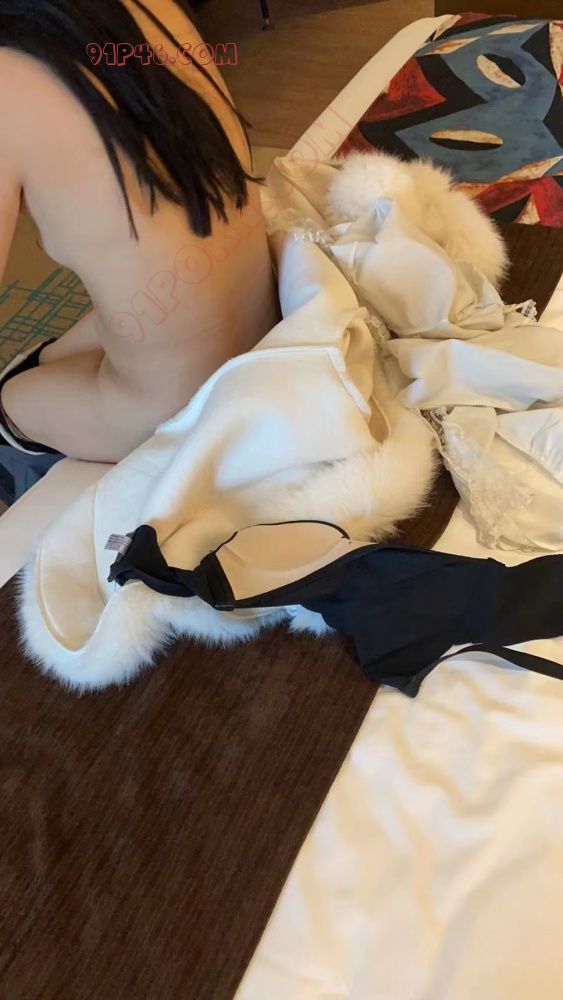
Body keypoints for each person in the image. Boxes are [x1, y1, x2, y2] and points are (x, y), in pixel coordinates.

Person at [0, 0, 278, 463]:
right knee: (52, 355)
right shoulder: (147, 6)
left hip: (175, 413)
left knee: (9, 397)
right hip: (264, 319)